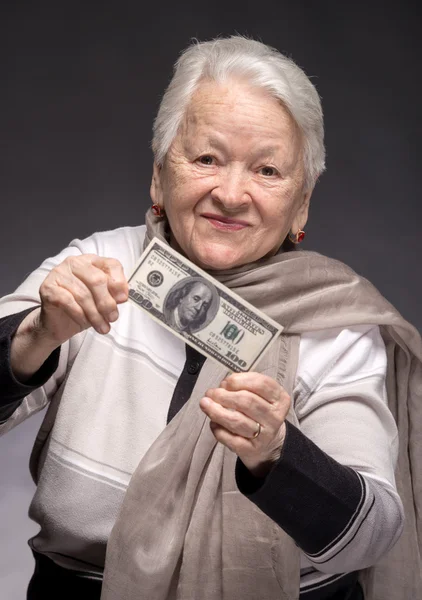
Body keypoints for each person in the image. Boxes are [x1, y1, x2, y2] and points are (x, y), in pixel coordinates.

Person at [0, 36, 421, 600]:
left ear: (301, 204)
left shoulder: (337, 328)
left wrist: (277, 456)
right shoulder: (99, 267)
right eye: (206, 159)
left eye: (267, 171)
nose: (231, 194)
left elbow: (371, 536)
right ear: (158, 176)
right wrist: (36, 334)